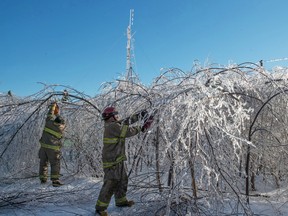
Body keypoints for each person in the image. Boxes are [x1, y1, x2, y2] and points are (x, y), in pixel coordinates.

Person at [95, 106, 153, 216]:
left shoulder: (113, 124)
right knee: (110, 183)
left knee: (122, 180)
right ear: (111, 117)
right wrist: (142, 127)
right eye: (116, 115)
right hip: (111, 161)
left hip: (117, 159)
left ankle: (121, 201)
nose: (118, 117)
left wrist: (139, 115)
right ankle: (100, 208)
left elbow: (125, 122)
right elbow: (127, 131)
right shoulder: (112, 127)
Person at [39, 102, 66, 187]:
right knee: (55, 164)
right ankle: (55, 180)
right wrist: (58, 114)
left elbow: (49, 114)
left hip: (43, 147)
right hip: (53, 150)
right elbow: (63, 122)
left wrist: (53, 106)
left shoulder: (49, 122)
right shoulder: (61, 128)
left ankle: (43, 178)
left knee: (43, 163)